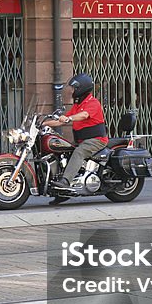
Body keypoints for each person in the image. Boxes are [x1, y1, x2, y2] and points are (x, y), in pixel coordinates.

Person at [42, 73, 108, 205]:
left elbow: (83, 115)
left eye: (73, 88)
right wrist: (43, 123)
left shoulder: (93, 103)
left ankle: (65, 182)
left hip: (96, 140)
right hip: (82, 141)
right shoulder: (78, 105)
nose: (71, 91)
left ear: (81, 88)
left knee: (79, 152)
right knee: (60, 152)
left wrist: (69, 118)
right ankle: (61, 192)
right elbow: (61, 121)